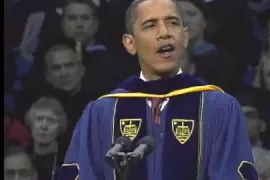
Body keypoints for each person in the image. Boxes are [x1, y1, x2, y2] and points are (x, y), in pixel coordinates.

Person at [60, 0, 257, 179]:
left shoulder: (218, 107)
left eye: (172, 23)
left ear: (185, 37)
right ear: (130, 43)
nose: (164, 32)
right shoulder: (102, 112)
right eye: (150, 25)